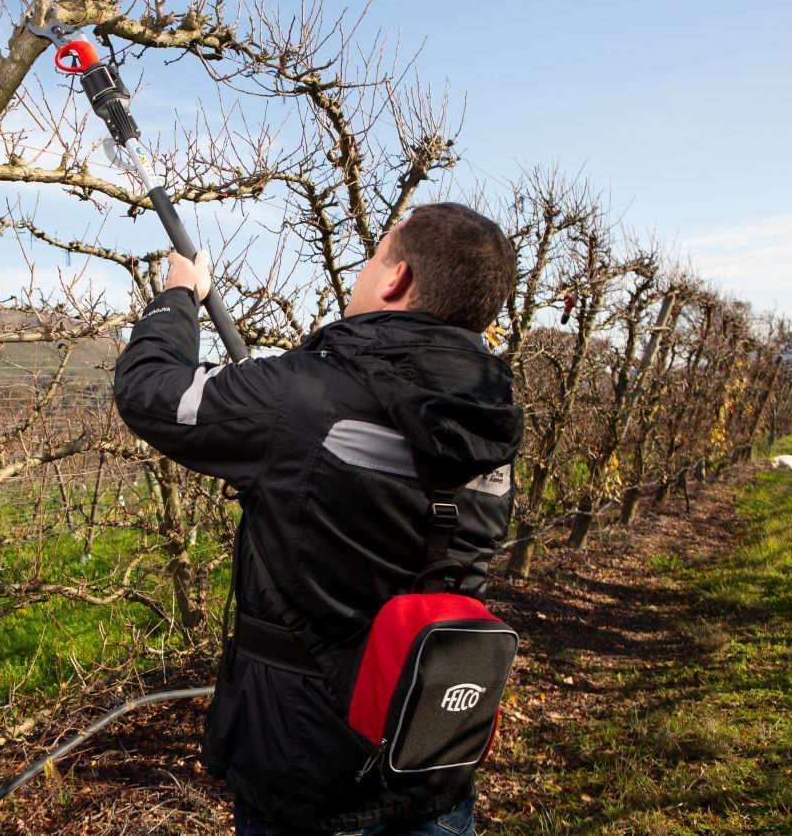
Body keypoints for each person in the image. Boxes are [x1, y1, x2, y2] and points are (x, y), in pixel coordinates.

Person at [113, 202, 524, 836]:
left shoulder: (301, 394)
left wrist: (178, 299)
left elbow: (149, 390)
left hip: (309, 768)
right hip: (433, 750)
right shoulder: (494, 414)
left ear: (396, 279)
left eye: (374, 258)